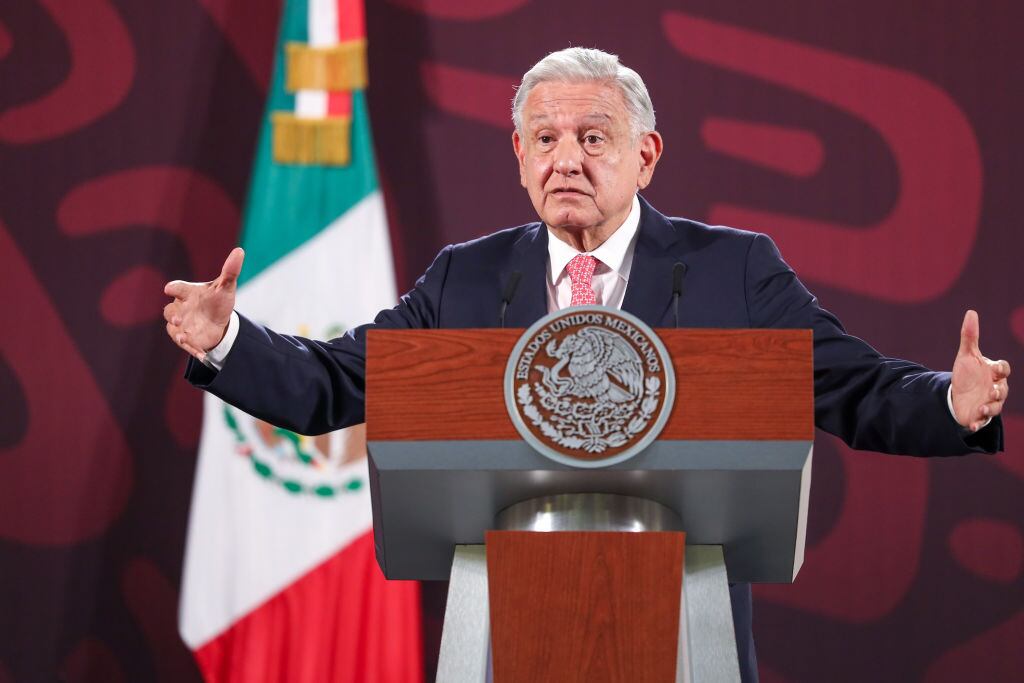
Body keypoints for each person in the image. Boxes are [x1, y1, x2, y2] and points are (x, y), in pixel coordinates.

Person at [163, 48, 1011, 683]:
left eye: (592, 136)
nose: (565, 157)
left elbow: (851, 388)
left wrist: (951, 404)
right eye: (545, 138)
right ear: (521, 157)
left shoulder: (733, 268)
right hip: (501, 631)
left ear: (645, 156)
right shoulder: (467, 275)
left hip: (685, 627)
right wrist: (227, 341)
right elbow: (336, 384)